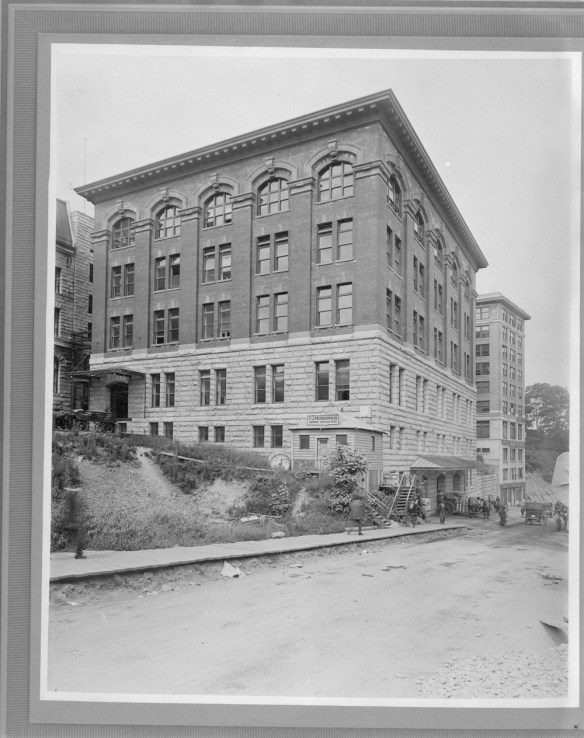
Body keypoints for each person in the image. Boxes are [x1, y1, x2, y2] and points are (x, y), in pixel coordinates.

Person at [63, 486, 87, 559]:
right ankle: (79, 554)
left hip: (69, 522)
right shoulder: (72, 502)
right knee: (81, 536)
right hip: (71, 522)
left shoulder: (70, 501)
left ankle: (78, 553)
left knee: (79, 536)